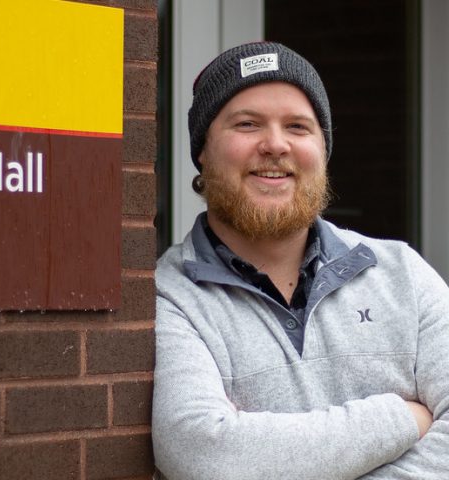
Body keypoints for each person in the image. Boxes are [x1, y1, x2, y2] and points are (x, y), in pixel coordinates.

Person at [152, 41, 449, 480]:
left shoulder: (402, 273)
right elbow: (203, 455)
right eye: (248, 124)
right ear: (202, 151)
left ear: (322, 150)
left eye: (297, 126)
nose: (275, 144)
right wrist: (403, 419)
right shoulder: (171, 295)